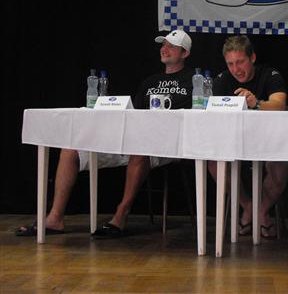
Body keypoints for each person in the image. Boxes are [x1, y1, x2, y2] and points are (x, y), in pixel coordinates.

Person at [16, 29, 194, 238]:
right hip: (131, 138)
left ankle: (121, 215)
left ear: (185, 53)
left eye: (171, 46)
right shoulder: (150, 81)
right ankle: (55, 219)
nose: (164, 49)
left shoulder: (194, 80)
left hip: (164, 144)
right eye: (163, 45)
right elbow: (134, 114)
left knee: (140, 147)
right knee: (70, 149)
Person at [208, 35, 288, 239]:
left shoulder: (270, 75)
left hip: (270, 141)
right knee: (213, 163)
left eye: (240, 62)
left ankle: (258, 212)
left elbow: (279, 105)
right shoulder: (221, 80)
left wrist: (256, 103)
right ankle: (250, 208)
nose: (236, 69)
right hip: (235, 141)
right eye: (230, 64)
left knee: (281, 165)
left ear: (252, 57)